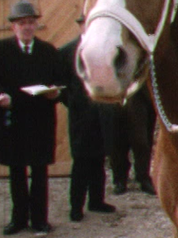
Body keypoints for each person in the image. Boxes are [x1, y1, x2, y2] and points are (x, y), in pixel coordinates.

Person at [0, 0, 62, 235]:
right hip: (13, 120)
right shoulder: (1, 50)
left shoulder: (48, 51)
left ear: (36, 25)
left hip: (40, 120)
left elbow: (60, 80)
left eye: (30, 23)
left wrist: (55, 93)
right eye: (21, 23)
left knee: (40, 172)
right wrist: (1, 96)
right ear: (13, 27)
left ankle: (40, 220)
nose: (26, 27)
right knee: (16, 172)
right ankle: (19, 219)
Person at [59, 15, 116, 222]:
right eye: (87, 23)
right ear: (80, 25)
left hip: (102, 114)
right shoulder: (67, 52)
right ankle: (76, 207)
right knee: (81, 161)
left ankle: (97, 201)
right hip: (80, 117)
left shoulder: (105, 49)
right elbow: (61, 85)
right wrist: (74, 103)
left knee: (99, 159)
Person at [106, 85, 157, 195]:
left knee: (142, 141)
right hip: (117, 95)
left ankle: (143, 176)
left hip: (141, 96)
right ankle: (120, 179)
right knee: (117, 141)